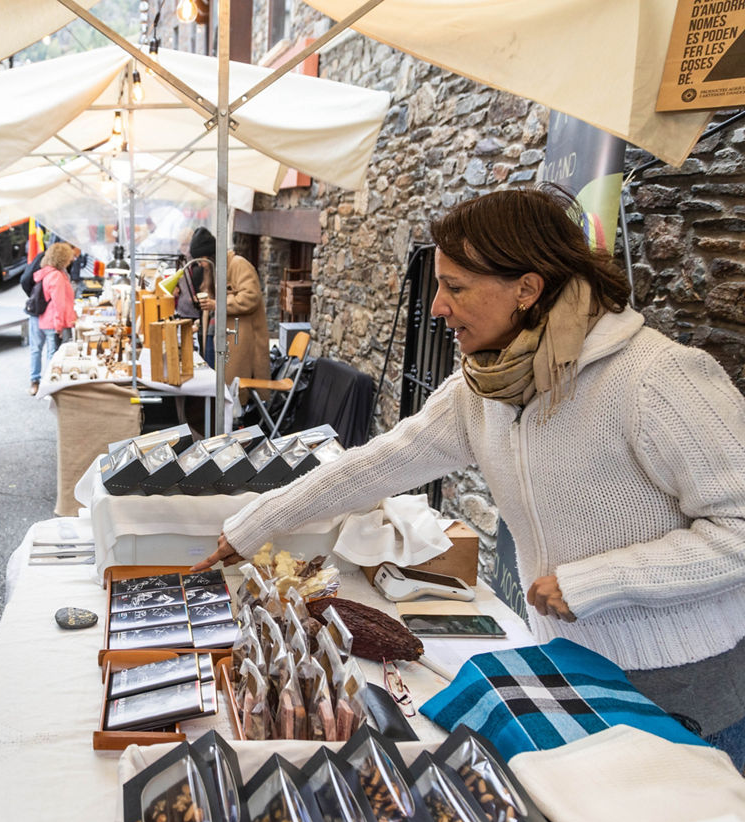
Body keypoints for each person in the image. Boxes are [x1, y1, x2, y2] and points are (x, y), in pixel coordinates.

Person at [193, 187, 745, 768]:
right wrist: (255, 523)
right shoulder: (484, 389)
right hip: (566, 666)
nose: (437, 307)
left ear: (527, 290)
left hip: (682, 685)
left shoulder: (656, 377)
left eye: (455, 286)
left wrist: (597, 582)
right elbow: (374, 465)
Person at [188, 226, 269, 402]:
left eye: (201, 260)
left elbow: (251, 296)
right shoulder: (213, 270)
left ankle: (233, 424)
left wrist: (218, 304)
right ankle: (220, 423)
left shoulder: (238, 264)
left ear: (210, 255)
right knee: (215, 384)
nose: (200, 265)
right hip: (215, 335)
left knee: (231, 388)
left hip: (238, 338)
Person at [34, 240, 78, 358]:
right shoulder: (56, 276)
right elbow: (58, 303)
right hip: (54, 322)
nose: (71, 260)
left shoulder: (49, 273)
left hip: (49, 320)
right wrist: (58, 326)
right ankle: (51, 376)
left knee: (46, 351)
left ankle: (36, 376)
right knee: (54, 355)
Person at [22, 246, 49, 395]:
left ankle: (37, 382)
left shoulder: (42, 258)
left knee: (37, 348)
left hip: (38, 311)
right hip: (38, 312)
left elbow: (25, 280)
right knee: (40, 348)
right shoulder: (45, 260)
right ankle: (37, 381)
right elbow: (24, 280)